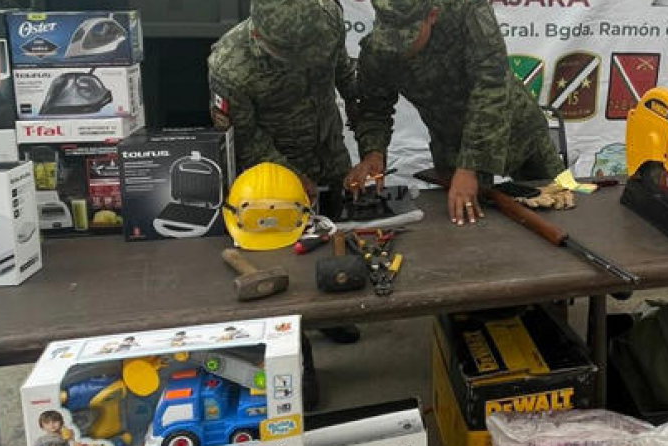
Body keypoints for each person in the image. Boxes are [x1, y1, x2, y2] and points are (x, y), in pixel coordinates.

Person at [207, 0, 360, 352]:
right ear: (258, 34)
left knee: (333, 235)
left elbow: (343, 72)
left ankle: (331, 315)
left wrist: (359, 109)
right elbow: (245, 136)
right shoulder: (230, 65)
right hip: (274, 176)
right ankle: (294, 346)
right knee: (282, 260)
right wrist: (291, 177)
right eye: (287, 54)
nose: (300, 61)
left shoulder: (327, 20)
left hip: (328, 150)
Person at [346, 0, 565, 227]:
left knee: (562, 205)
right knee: (464, 226)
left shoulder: (467, 9)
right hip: (451, 143)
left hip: (517, 126)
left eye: (407, 37)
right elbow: (374, 109)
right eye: (391, 39)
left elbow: (491, 85)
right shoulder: (378, 50)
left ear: (432, 15)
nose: (400, 49)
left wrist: (470, 165)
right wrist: (373, 153)